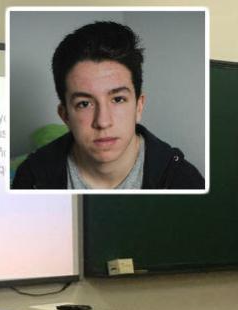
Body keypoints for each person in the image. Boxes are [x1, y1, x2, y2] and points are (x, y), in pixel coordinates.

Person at [12, 21, 204, 189]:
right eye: (84, 103)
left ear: (139, 106)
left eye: (118, 99)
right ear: (65, 116)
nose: (103, 122)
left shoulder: (182, 180)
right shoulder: (31, 177)